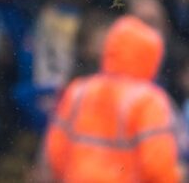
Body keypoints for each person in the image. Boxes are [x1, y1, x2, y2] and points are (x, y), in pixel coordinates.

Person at [45, 16, 184, 182]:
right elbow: (157, 165)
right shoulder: (149, 100)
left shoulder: (78, 91)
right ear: (151, 57)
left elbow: (55, 152)